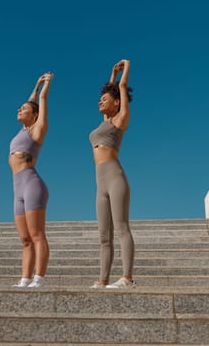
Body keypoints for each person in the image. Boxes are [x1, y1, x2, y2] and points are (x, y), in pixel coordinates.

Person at [89, 59, 135, 289]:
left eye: (105, 99)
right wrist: (111, 75)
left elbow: (122, 89)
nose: (100, 101)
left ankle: (127, 278)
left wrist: (125, 68)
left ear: (116, 103)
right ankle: (103, 280)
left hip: (115, 178)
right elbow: (111, 88)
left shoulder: (120, 119)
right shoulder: (104, 122)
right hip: (100, 183)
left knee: (121, 227)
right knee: (103, 236)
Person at [9, 72, 53, 288]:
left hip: (31, 184)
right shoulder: (22, 131)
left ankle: (39, 279)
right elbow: (32, 100)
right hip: (17, 188)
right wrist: (35, 84)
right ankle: (25, 279)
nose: (20, 110)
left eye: (24, 109)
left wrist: (46, 85)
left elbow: (40, 102)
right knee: (25, 239)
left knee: (37, 235)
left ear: (34, 115)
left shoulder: (37, 130)